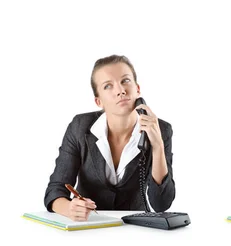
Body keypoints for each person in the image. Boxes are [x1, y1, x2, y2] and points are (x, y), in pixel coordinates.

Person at [44, 55, 175, 221]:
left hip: (136, 228)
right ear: (98, 101)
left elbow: (161, 204)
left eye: (126, 81)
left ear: (138, 89)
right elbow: (54, 190)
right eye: (108, 86)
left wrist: (157, 146)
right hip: (89, 225)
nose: (120, 90)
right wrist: (69, 208)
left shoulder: (161, 129)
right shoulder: (80, 127)